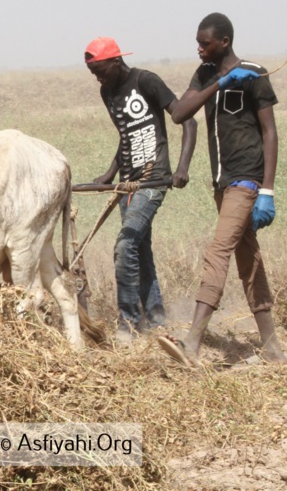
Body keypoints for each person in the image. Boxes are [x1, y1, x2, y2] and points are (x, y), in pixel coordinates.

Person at [159, 12, 287, 366]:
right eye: (198, 42)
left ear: (225, 42)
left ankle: (192, 344)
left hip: (246, 180)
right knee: (249, 259)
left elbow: (270, 133)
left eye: (205, 43)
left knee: (218, 251)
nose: (199, 48)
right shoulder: (205, 75)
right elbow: (180, 113)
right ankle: (273, 348)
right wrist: (220, 82)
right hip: (221, 182)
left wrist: (267, 190)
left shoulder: (255, 74)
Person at [85, 37, 197, 344]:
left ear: (116, 62)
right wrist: (110, 174)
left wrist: (182, 168)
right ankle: (157, 319)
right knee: (140, 250)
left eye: (100, 70)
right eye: (93, 72)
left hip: (153, 180)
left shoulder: (146, 80)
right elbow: (127, 135)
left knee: (125, 246)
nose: (98, 77)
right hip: (128, 184)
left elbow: (188, 123)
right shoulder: (107, 91)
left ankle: (129, 324)